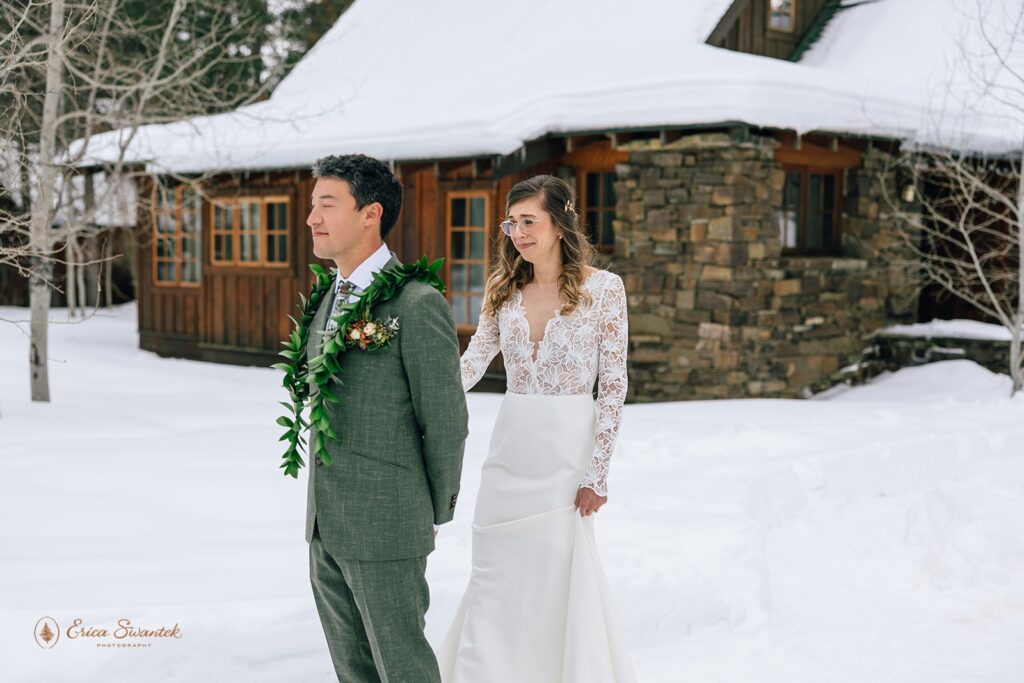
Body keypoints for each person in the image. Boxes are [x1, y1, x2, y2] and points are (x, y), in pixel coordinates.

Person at [438, 174, 636, 682]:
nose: (518, 233)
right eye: (512, 222)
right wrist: (419, 394)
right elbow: (473, 361)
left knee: (554, 576)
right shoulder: (503, 289)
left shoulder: (604, 289)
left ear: (559, 223)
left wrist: (598, 472)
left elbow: (613, 385)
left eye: (529, 221)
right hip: (512, 449)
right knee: (495, 568)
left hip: (567, 454)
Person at [303, 153, 468, 683]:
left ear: (371, 213)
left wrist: (430, 513)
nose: (312, 219)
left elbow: (445, 421)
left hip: (386, 523)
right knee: (352, 670)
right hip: (324, 525)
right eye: (313, 206)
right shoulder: (327, 296)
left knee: (402, 669)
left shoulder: (416, 304)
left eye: (327, 205)